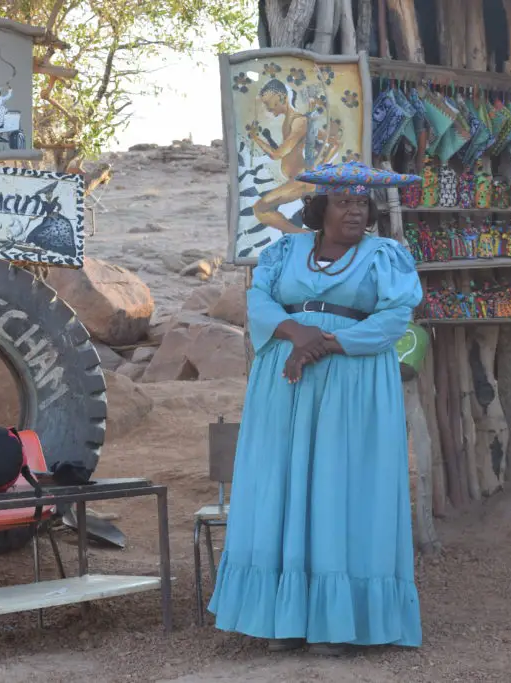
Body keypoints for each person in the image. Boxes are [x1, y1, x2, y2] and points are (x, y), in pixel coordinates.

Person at [208, 161, 424, 656]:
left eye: (362, 204)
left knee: (340, 487)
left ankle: (337, 622)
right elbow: (259, 301)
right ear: (321, 207)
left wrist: (326, 342)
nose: (355, 211)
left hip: (353, 384)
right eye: (345, 202)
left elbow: (394, 317)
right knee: (281, 483)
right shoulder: (284, 251)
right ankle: (282, 620)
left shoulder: (385, 256)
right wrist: (296, 335)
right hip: (286, 385)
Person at [247, 79, 342, 234]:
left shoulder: (299, 121)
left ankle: (304, 235)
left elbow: (277, 154)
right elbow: (333, 142)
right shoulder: (295, 120)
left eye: (268, 102)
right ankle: (309, 236)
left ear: (280, 97)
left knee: (261, 209)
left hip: (302, 181)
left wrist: (256, 139)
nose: (267, 108)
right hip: (299, 180)